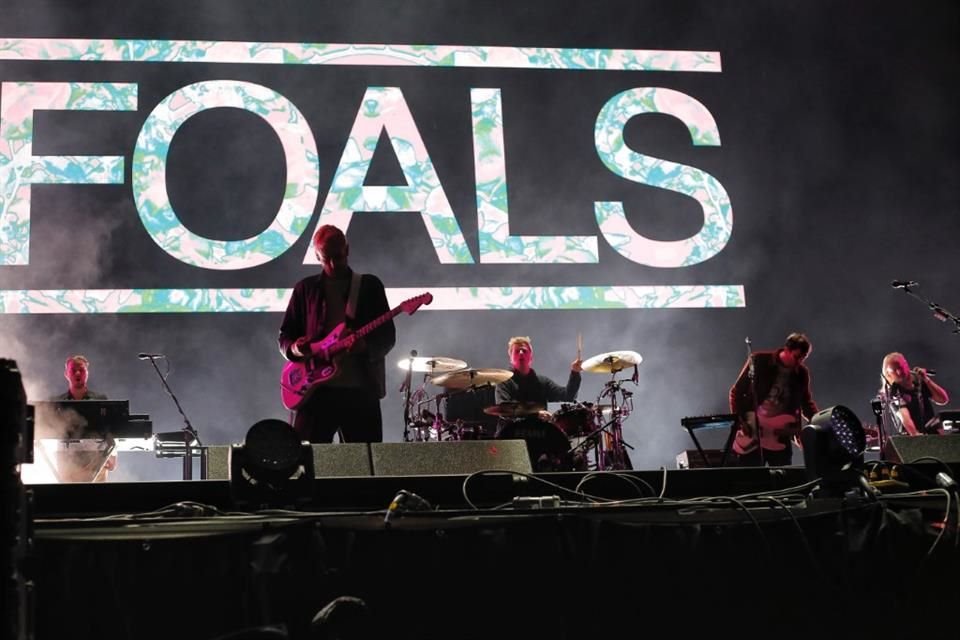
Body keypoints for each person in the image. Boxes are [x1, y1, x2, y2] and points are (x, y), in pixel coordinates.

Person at [278, 225, 396, 443]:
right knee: (307, 460)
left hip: (360, 391)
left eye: (338, 256)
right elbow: (285, 336)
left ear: (347, 249)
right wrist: (295, 348)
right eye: (326, 258)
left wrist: (365, 347)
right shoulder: (305, 289)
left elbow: (387, 337)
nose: (333, 264)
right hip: (316, 393)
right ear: (317, 256)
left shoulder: (370, 286)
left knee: (365, 465)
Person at [729, 332, 819, 466]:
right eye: (797, 356)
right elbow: (736, 392)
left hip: (780, 435)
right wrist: (740, 421)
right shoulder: (759, 361)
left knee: (782, 478)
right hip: (754, 431)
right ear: (787, 349)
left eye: (803, 357)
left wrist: (819, 420)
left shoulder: (801, 374)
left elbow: (806, 403)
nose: (799, 361)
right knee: (751, 479)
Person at [493, 336, 583, 470]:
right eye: (516, 351)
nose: (521, 353)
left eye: (524, 351)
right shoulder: (504, 382)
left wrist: (575, 373)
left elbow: (567, 395)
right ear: (511, 358)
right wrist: (535, 414)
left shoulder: (541, 382)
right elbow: (505, 408)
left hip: (541, 438)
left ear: (531, 357)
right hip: (510, 437)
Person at [52, 355, 115, 482]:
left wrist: (113, 454)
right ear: (66, 374)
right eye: (73, 370)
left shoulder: (101, 400)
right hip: (67, 458)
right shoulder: (57, 403)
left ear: (87, 373)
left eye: (81, 369)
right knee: (69, 498)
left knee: (98, 499)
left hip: (96, 457)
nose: (77, 373)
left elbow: (111, 428)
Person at [879, 352, 950, 436]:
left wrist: (926, 379)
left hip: (932, 434)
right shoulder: (893, 392)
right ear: (888, 374)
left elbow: (943, 399)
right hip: (910, 439)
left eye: (900, 367)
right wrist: (916, 435)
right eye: (894, 370)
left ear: (906, 364)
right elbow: (905, 418)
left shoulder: (919, 379)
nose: (899, 372)